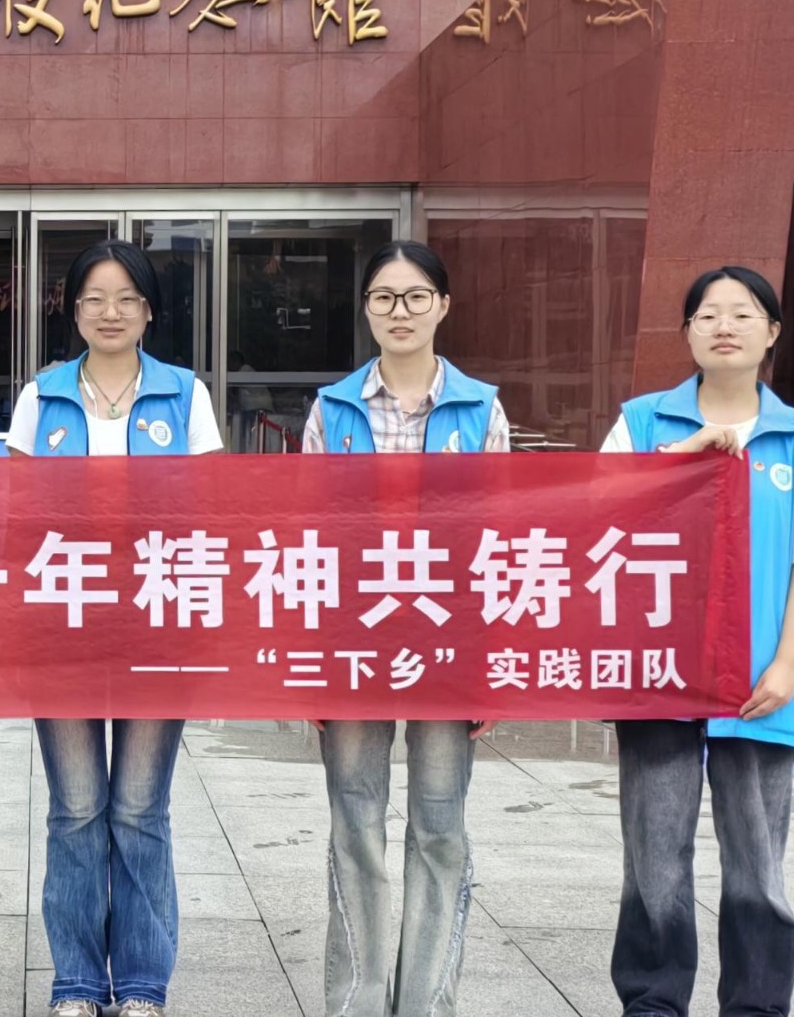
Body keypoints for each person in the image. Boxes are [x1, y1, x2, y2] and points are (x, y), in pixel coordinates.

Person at [601, 265, 794, 1017]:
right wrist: (675, 464)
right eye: (707, 315)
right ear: (686, 334)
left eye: (743, 314)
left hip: (759, 684)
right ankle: (652, 1002)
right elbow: (594, 515)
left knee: (757, 864)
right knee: (654, 859)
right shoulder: (643, 424)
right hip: (660, 676)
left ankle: (756, 1004)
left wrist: (788, 663)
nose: (724, 327)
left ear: (771, 333)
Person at [5, 239, 225, 1017]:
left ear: (149, 311)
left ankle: (139, 984)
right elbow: (16, 521)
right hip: (61, 627)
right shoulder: (40, 398)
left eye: (127, 298)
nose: (110, 312)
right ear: (73, 310)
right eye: (95, 298)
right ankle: (74, 983)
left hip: (157, 628)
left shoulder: (184, 396)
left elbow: (210, 516)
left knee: (138, 811)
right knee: (75, 811)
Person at [302, 241, 510, 1017]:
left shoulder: (481, 409)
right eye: (385, 298)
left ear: (443, 306)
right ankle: (356, 1000)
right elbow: (310, 537)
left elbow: (497, 541)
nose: (400, 311)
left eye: (416, 297)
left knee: (440, 829)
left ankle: (426, 1003)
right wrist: (313, 657)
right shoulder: (333, 410)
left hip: (449, 645)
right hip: (356, 641)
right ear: (366, 310)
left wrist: (491, 661)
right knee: (355, 824)